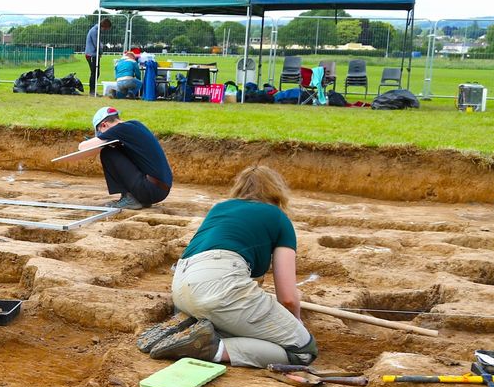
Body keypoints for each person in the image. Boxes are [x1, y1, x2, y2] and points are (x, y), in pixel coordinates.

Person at [142, 165, 317, 368]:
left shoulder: (220, 208)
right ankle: (210, 348)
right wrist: (296, 322)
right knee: (303, 350)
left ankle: (192, 326)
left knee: (233, 320)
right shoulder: (278, 217)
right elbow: (287, 297)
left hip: (181, 288)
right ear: (276, 192)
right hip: (221, 288)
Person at [78, 105, 172, 210]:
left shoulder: (119, 129)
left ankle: (129, 198)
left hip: (150, 189)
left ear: (104, 125)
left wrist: (99, 140)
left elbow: (82, 147)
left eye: (100, 132)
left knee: (108, 152)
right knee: (117, 148)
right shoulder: (135, 124)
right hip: (160, 189)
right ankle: (138, 198)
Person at [84, 18, 112, 97]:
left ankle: (93, 91)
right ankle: (92, 91)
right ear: (104, 26)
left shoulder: (96, 30)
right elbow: (96, 44)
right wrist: (100, 52)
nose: (106, 30)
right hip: (91, 54)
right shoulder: (95, 31)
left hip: (92, 54)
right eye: (107, 28)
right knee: (94, 73)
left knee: (95, 73)